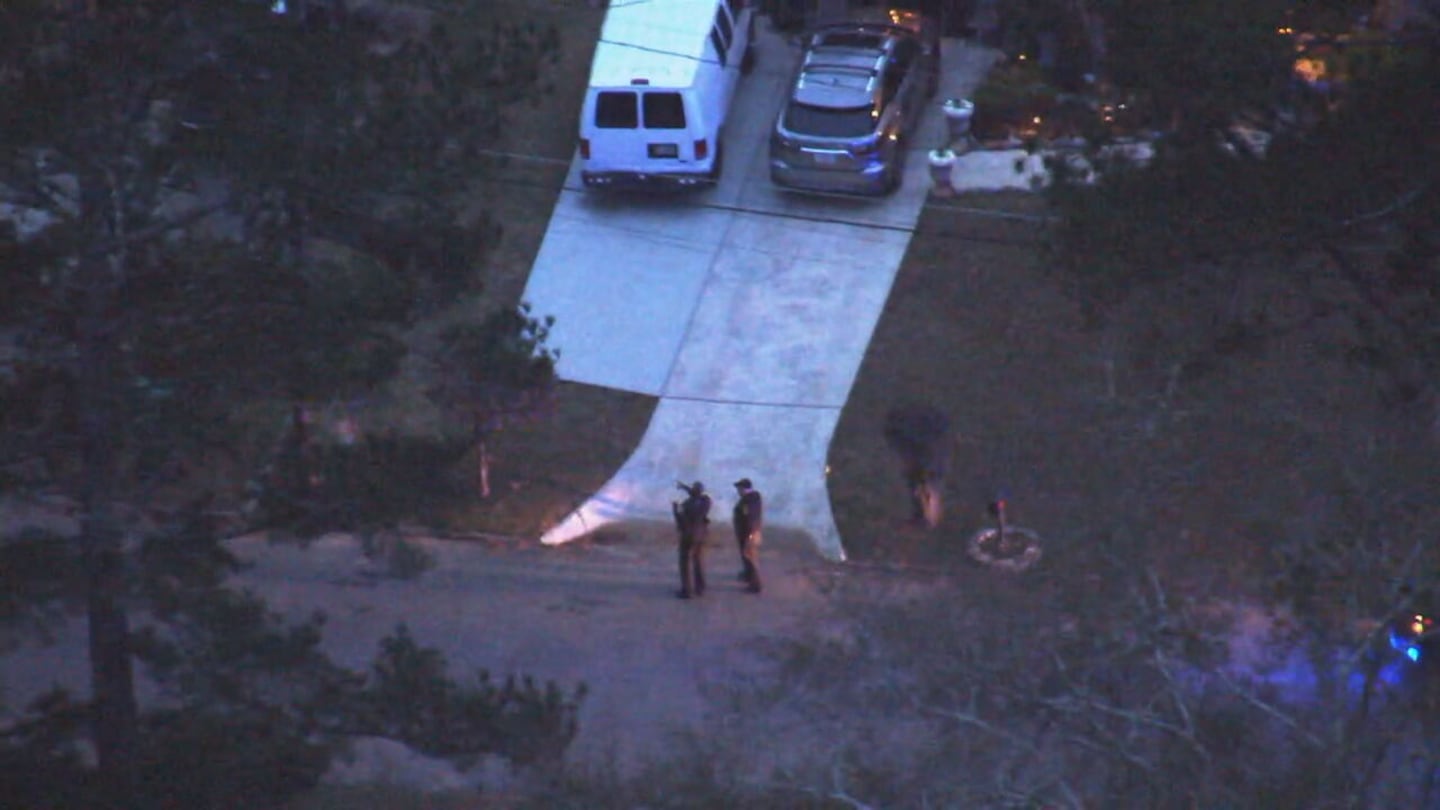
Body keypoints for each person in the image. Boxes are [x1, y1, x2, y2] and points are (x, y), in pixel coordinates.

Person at [672, 480, 712, 599]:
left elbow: (680, 520)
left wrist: (675, 509)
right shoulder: (706, 501)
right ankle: (700, 587)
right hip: (701, 535)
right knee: (698, 560)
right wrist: (685, 487)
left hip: (688, 535)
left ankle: (687, 590)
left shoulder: (686, 504)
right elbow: (696, 494)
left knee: (684, 562)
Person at [732, 478, 764, 594]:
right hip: (747, 532)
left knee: (751, 557)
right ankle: (748, 575)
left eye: (739, 489)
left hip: (749, 533)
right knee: (747, 556)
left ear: (743, 489)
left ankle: (755, 585)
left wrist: (750, 534)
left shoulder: (749, 500)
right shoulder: (750, 498)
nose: (737, 491)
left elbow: (751, 517)